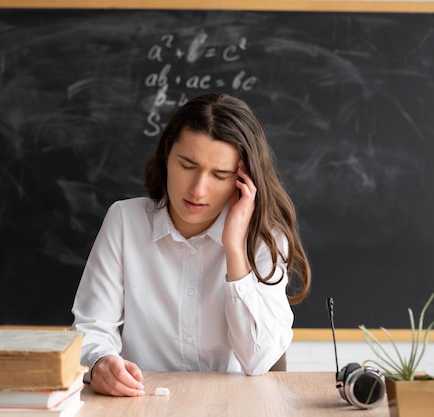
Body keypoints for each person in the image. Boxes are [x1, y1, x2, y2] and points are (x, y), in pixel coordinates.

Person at [71, 92, 311, 397]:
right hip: (142, 402)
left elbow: (258, 360)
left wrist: (235, 250)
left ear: (244, 179)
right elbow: (91, 328)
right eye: (187, 166)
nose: (198, 190)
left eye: (220, 175)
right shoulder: (124, 221)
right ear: (167, 155)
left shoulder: (265, 238)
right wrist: (101, 362)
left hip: (234, 406)